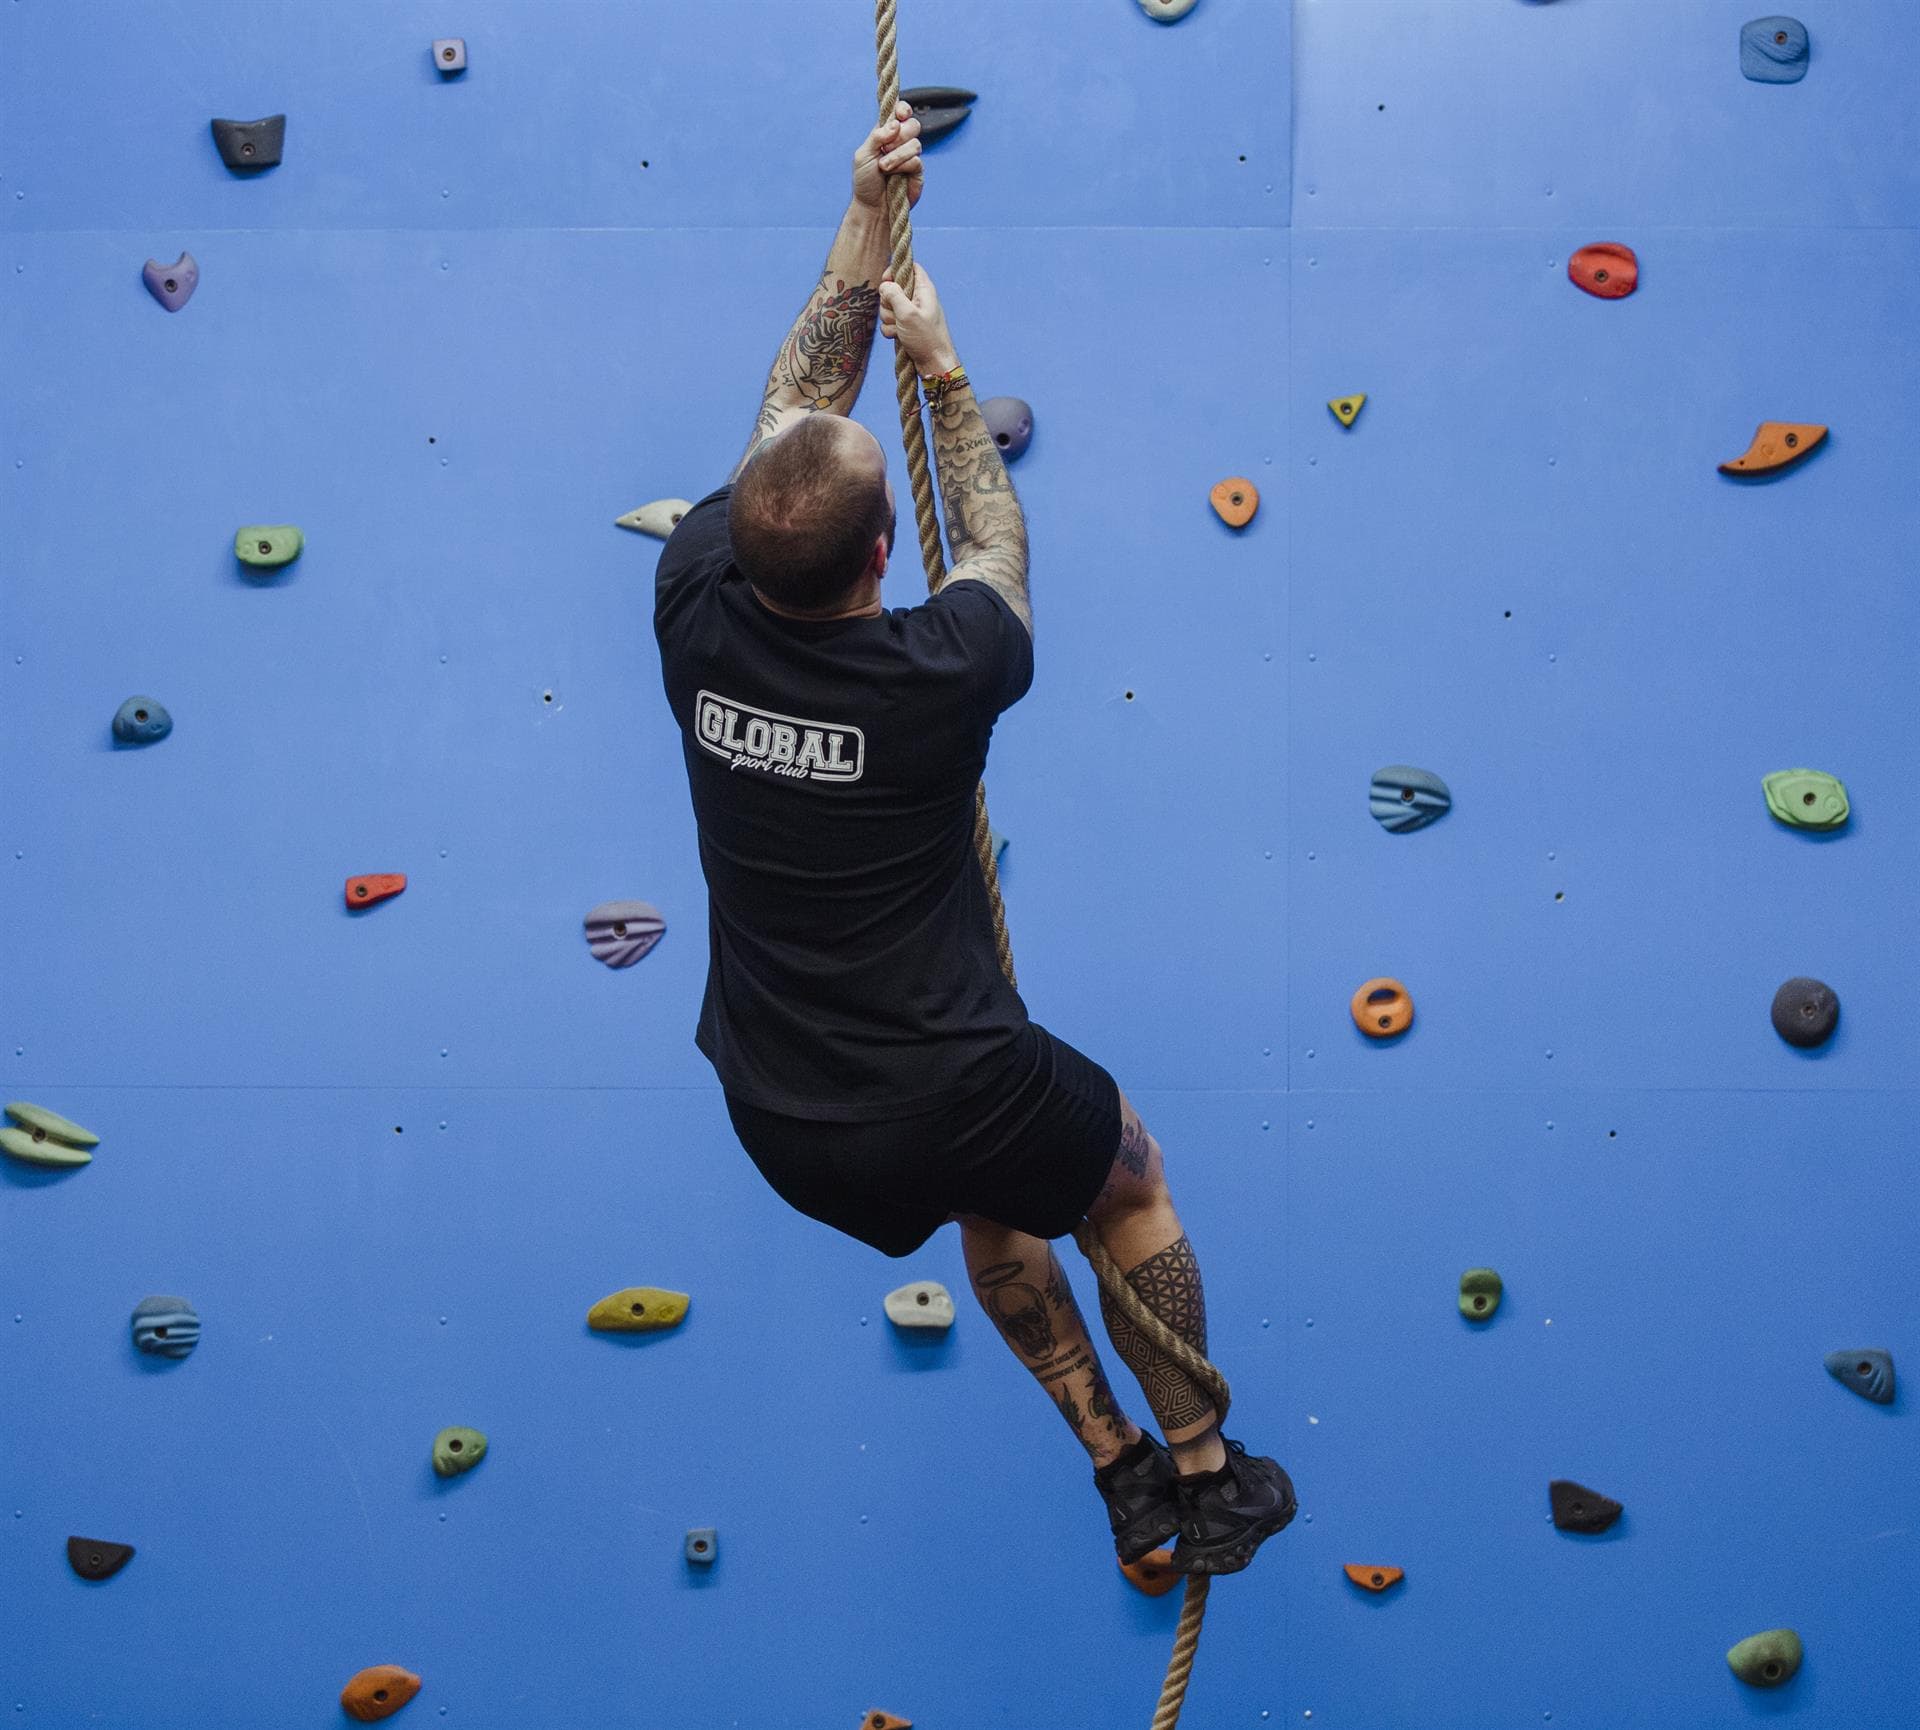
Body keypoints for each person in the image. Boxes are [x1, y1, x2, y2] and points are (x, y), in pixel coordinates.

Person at [651, 102, 1295, 1577]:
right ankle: (1200, 1467)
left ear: (748, 533)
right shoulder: (935, 675)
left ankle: (1120, 1470)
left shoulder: (694, 606)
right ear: (885, 556)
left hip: (778, 1110)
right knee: (1121, 1171)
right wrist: (943, 374)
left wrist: (862, 217)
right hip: (938, 1080)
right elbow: (995, 545)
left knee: (995, 1196)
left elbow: (788, 409)